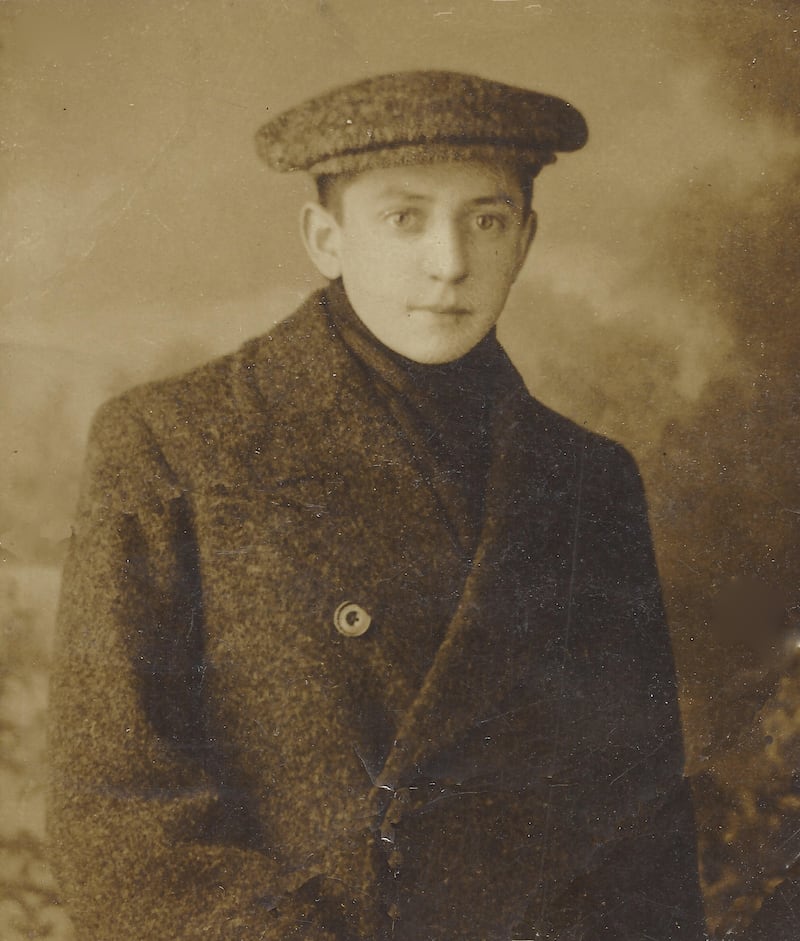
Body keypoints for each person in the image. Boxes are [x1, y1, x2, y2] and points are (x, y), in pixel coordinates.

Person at [48, 70, 705, 940]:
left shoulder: (590, 479)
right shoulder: (175, 444)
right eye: (404, 218)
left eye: (487, 218)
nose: (450, 262)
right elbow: (114, 808)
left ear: (527, 239)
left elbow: (642, 829)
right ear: (325, 237)